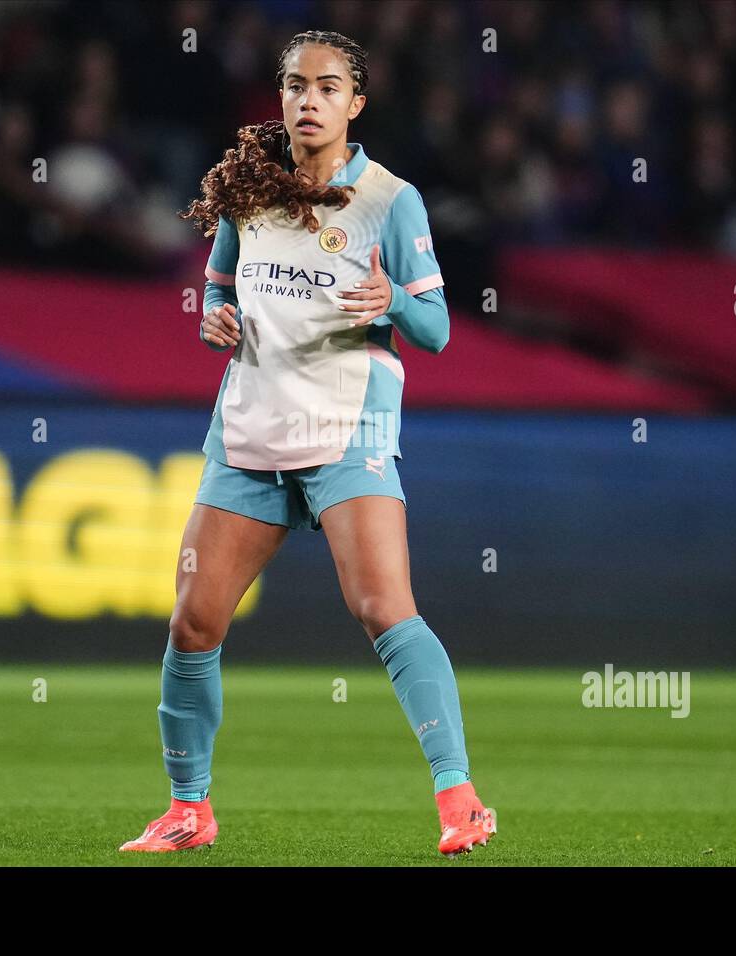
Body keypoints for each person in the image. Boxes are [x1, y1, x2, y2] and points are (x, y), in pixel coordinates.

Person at [118, 30, 495, 857]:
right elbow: (216, 290)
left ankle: (459, 797)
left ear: (355, 103)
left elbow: (434, 331)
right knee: (192, 624)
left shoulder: (391, 201)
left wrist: (392, 296)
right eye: (295, 86)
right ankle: (189, 809)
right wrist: (213, 321)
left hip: (346, 431)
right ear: (280, 97)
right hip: (249, 430)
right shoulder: (244, 191)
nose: (308, 100)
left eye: (327, 87)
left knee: (383, 610)